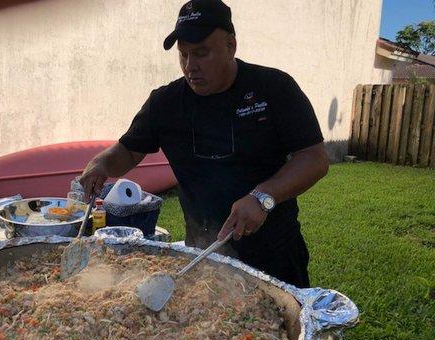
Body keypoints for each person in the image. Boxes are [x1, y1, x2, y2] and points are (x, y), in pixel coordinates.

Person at [79, 0, 329, 288]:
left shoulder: (273, 88)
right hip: (204, 254)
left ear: (231, 46)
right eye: (183, 55)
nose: (190, 66)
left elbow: (314, 157)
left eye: (201, 53)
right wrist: (102, 163)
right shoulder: (166, 102)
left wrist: (263, 197)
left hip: (274, 255)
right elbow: (129, 150)